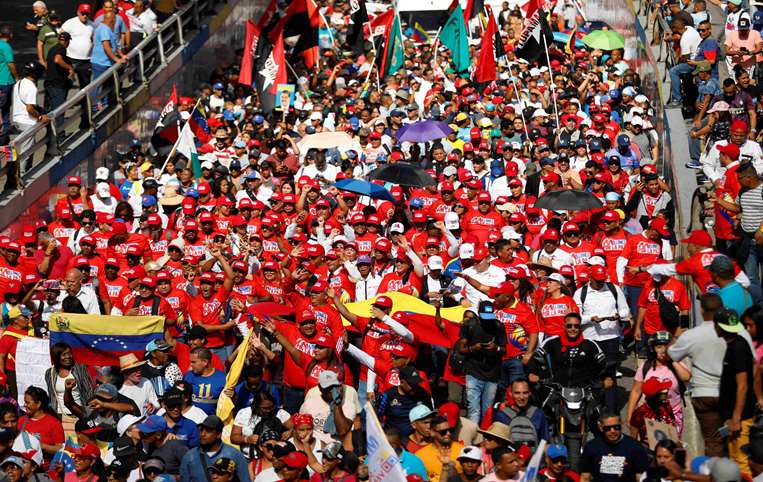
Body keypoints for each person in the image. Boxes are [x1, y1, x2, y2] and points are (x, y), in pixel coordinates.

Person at [714, 308, 757, 476]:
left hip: (740, 417)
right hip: (733, 414)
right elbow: (754, 367)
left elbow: (742, 385)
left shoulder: (737, 348)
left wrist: (736, 417)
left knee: (741, 462)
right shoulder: (735, 344)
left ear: (719, 326)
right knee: (733, 459)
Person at [580, 412, 649, 482]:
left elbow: (641, 478)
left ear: (621, 425)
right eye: (607, 428)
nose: (612, 431)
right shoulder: (591, 447)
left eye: (616, 427)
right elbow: (585, 477)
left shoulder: (635, 447)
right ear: (600, 428)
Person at [179, 415, 250, 482]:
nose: (202, 434)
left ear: (218, 434)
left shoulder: (234, 455)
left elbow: (245, 480)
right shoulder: (190, 456)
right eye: (201, 430)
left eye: (208, 431)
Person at [415, 415, 464, 482]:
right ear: (432, 432)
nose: (448, 433)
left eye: (450, 430)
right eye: (443, 432)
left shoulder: (462, 450)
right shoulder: (420, 455)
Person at [183, 347, 227, 415]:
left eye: (193, 362)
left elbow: (230, 402)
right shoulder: (188, 376)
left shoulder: (222, 378)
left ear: (205, 362)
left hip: (212, 420)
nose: (191, 365)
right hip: (191, 419)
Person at [0, 26, 18, 143]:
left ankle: (6, 127)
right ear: (10, 35)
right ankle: (4, 128)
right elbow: (10, 64)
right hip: (5, 81)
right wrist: (16, 77)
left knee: (5, 105)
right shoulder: (6, 47)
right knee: (4, 105)